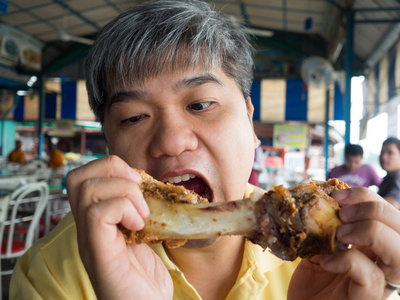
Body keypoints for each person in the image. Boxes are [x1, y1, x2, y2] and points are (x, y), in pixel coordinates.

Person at [10, 1, 400, 299]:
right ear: (109, 141)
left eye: (199, 105)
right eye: (133, 117)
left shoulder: (335, 262)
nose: (171, 140)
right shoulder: (50, 273)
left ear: (249, 121)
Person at [378, 137, 400, 209]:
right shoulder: (389, 177)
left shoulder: (398, 177)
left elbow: (392, 204)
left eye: (390, 153)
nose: (383, 157)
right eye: (382, 153)